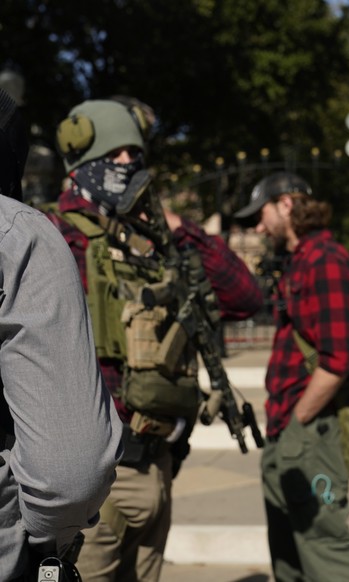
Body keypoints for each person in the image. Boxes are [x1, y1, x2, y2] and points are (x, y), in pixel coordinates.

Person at [47, 98, 263, 581]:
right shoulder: (55, 236)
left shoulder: (155, 243)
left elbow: (245, 297)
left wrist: (174, 227)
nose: (129, 163)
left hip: (159, 462)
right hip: (95, 474)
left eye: (134, 154)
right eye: (115, 154)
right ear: (81, 163)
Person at [0, 89, 122, 579]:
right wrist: (44, 534)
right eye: (115, 154)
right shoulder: (20, 233)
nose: (127, 165)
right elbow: (69, 475)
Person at [233, 171, 349, 581]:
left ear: (287, 205)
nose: (259, 226)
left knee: (325, 549)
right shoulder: (301, 261)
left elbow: (337, 360)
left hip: (308, 432)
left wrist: (297, 424)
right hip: (287, 430)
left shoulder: (325, 262)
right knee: (289, 557)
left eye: (262, 213)